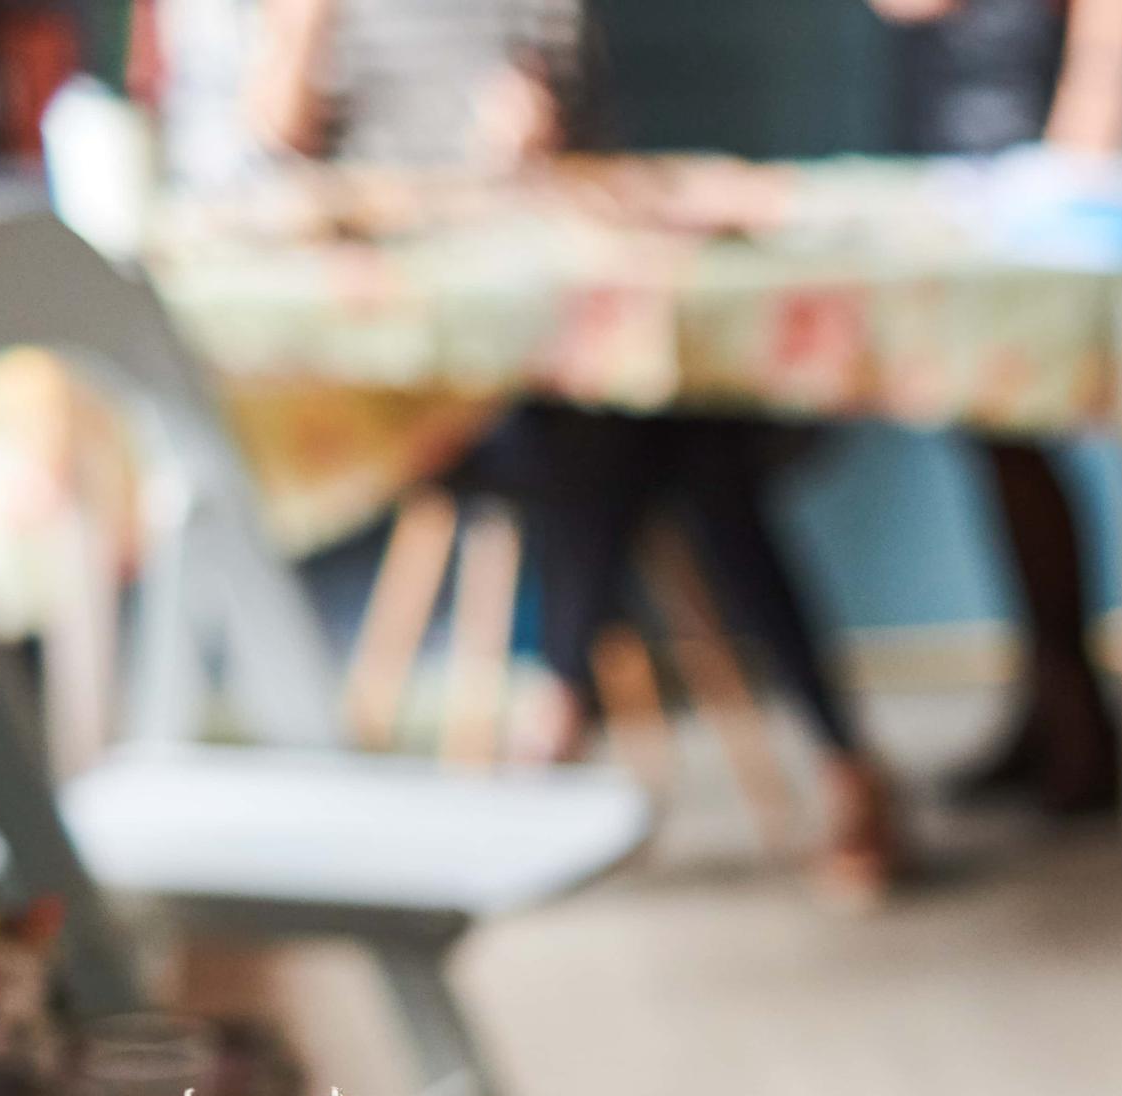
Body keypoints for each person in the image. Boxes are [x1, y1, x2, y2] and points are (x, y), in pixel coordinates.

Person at [211, 0, 916, 885]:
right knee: (663, 436)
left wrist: (538, 148)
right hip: (414, 395)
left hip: (548, 353)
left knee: (642, 416)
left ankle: (560, 711)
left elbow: (588, 171)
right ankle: (841, 758)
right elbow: (254, 167)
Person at [867, 0, 1122, 820]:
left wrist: (1093, 112)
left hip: (1035, 164)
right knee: (990, 440)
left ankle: (1078, 718)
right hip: (944, 159)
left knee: (1020, 438)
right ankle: (1053, 704)